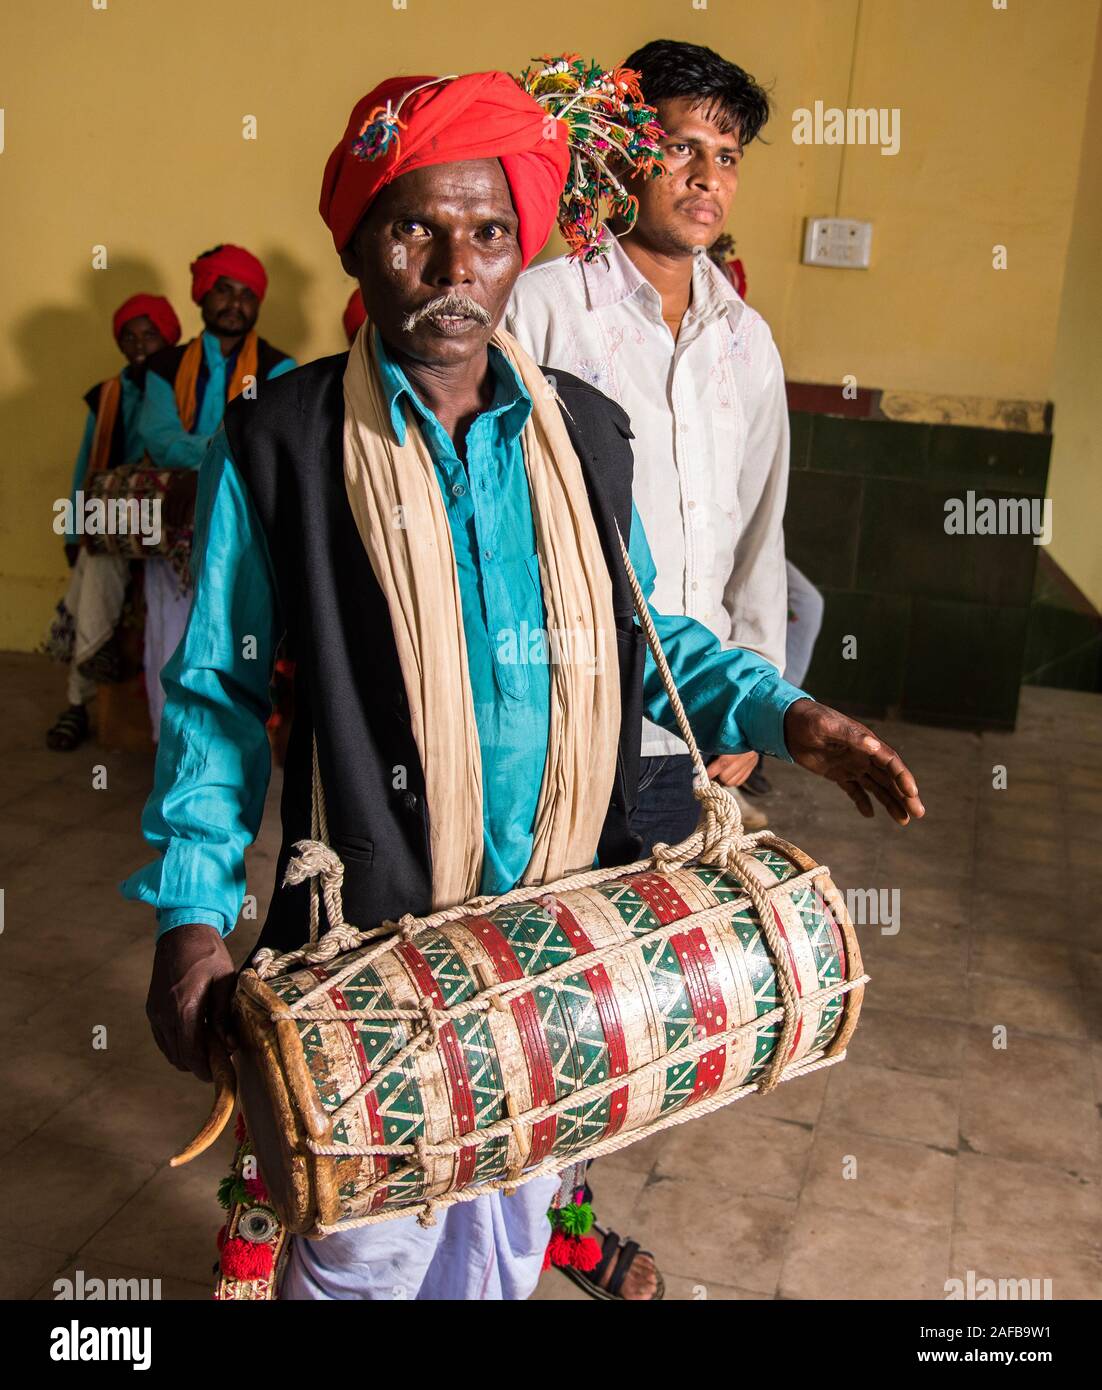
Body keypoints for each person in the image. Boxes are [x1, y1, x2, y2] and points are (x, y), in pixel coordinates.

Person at [123, 69, 923, 1303]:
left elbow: (648, 628)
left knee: (506, 1225)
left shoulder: (585, 435)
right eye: (415, 230)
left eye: (489, 233)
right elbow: (218, 699)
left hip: (558, 922)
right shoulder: (279, 444)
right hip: (371, 929)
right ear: (361, 247)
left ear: (520, 250)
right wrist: (191, 918)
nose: (455, 267)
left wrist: (787, 713)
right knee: (360, 1245)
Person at [506, 39, 787, 843]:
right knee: (552, 941)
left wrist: (757, 695)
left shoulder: (745, 340)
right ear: (625, 150)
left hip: (694, 729)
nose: (707, 179)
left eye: (727, 158)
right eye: (681, 149)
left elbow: (760, 524)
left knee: (660, 950)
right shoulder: (541, 311)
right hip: (562, 714)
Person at [139, 244, 295, 740]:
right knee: (169, 627)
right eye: (223, 289)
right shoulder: (164, 367)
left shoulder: (280, 368)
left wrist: (210, 454)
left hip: (244, 524)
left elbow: (268, 439)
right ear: (202, 296)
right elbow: (158, 438)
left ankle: (226, 745)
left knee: (237, 629)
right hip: (171, 529)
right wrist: (225, 448)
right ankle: (171, 741)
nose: (234, 302)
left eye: (246, 293)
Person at [46, 294, 181, 751]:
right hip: (116, 516)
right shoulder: (107, 393)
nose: (139, 343)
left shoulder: (181, 384)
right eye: (129, 335)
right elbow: (87, 465)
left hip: (169, 518)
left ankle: (81, 693)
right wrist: (74, 529)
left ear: (170, 337)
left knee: (100, 566)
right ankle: (81, 695)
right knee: (94, 566)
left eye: (150, 334)